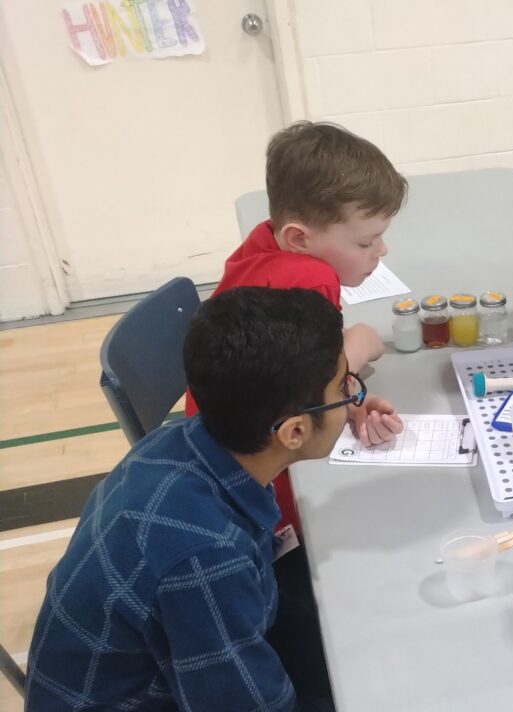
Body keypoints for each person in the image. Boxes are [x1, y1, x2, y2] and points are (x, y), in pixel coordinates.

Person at [27, 288, 397, 709]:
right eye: (343, 388)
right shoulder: (206, 556)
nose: (354, 397)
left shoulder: (179, 442)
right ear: (293, 431)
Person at [185, 120, 408, 537]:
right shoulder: (309, 280)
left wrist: (345, 396)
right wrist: (355, 351)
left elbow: (298, 373)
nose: (381, 250)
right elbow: (312, 382)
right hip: (259, 483)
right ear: (299, 238)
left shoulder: (264, 243)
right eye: (365, 242)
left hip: (218, 446)